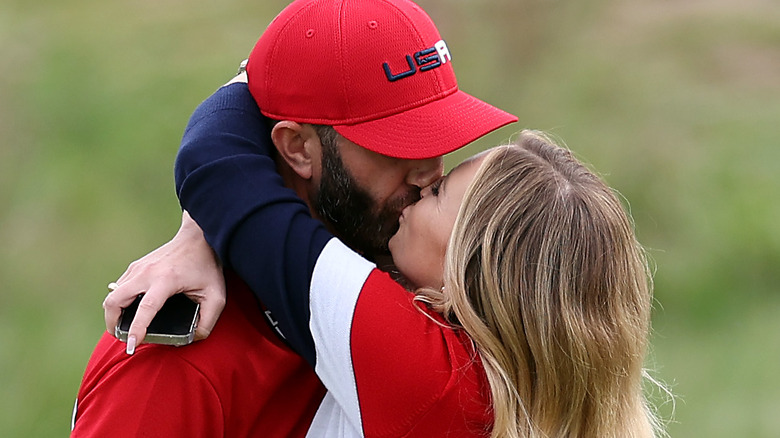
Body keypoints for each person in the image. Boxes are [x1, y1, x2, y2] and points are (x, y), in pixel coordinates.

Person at [72, 0, 517, 436]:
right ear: (298, 148)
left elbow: (218, 167)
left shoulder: (446, 311)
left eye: (437, 136)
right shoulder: (174, 365)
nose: (429, 172)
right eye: (395, 145)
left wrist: (203, 225)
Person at [106, 130, 665, 437]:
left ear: (461, 284)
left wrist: (201, 228)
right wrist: (199, 235)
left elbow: (222, 169)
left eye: (438, 196)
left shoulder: (433, 378)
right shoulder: (553, 397)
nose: (421, 183)